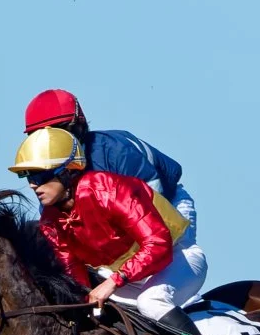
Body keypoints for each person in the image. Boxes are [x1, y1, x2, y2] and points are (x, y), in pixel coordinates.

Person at [8, 126, 229, 335]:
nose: (32, 184)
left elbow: (158, 245)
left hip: (176, 260)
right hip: (129, 277)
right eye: (27, 176)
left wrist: (113, 282)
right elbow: (73, 271)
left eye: (39, 175)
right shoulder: (51, 220)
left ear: (68, 171)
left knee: (152, 302)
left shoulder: (107, 190)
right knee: (101, 319)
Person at [23, 89, 197, 246]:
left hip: (166, 205)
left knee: (158, 267)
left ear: (78, 127)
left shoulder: (116, 152)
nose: (49, 142)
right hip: (115, 224)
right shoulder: (47, 174)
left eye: (56, 131)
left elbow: (152, 209)